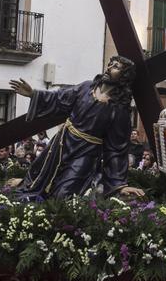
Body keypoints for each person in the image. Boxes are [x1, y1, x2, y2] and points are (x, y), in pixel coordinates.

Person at [11, 56, 144, 199]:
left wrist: (119, 185)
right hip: (62, 143)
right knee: (38, 180)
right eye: (110, 64)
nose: (109, 68)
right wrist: (33, 94)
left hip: (86, 153)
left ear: (124, 76)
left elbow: (117, 149)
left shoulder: (119, 109)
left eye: (116, 67)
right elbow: (59, 99)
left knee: (64, 194)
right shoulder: (86, 87)